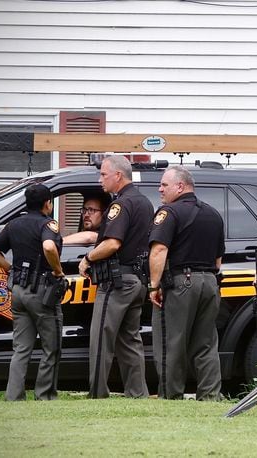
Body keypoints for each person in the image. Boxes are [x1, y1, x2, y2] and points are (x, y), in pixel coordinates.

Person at [148, 165, 225, 401]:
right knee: (206, 343)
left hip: (182, 283)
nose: (160, 189)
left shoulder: (168, 212)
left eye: (164, 185)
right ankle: (210, 396)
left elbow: (159, 249)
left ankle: (171, 396)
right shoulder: (214, 214)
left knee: (171, 341)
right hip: (210, 282)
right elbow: (218, 260)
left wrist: (153, 285)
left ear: (180, 186)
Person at [78, 156, 152, 399]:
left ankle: (97, 393)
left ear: (118, 176)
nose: (100, 180)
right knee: (130, 339)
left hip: (117, 281)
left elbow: (112, 243)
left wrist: (88, 259)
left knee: (101, 337)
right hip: (137, 280)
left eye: (103, 175)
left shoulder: (120, 205)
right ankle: (137, 393)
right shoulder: (144, 202)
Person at [0, 184, 65, 401]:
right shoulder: (48, 224)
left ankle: (14, 397)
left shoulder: (14, 224)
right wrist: (58, 271)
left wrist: (10, 269)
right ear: (48, 203)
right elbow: (49, 247)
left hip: (18, 291)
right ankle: (45, 395)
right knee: (51, 346)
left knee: (21, 349)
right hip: (42, 291)